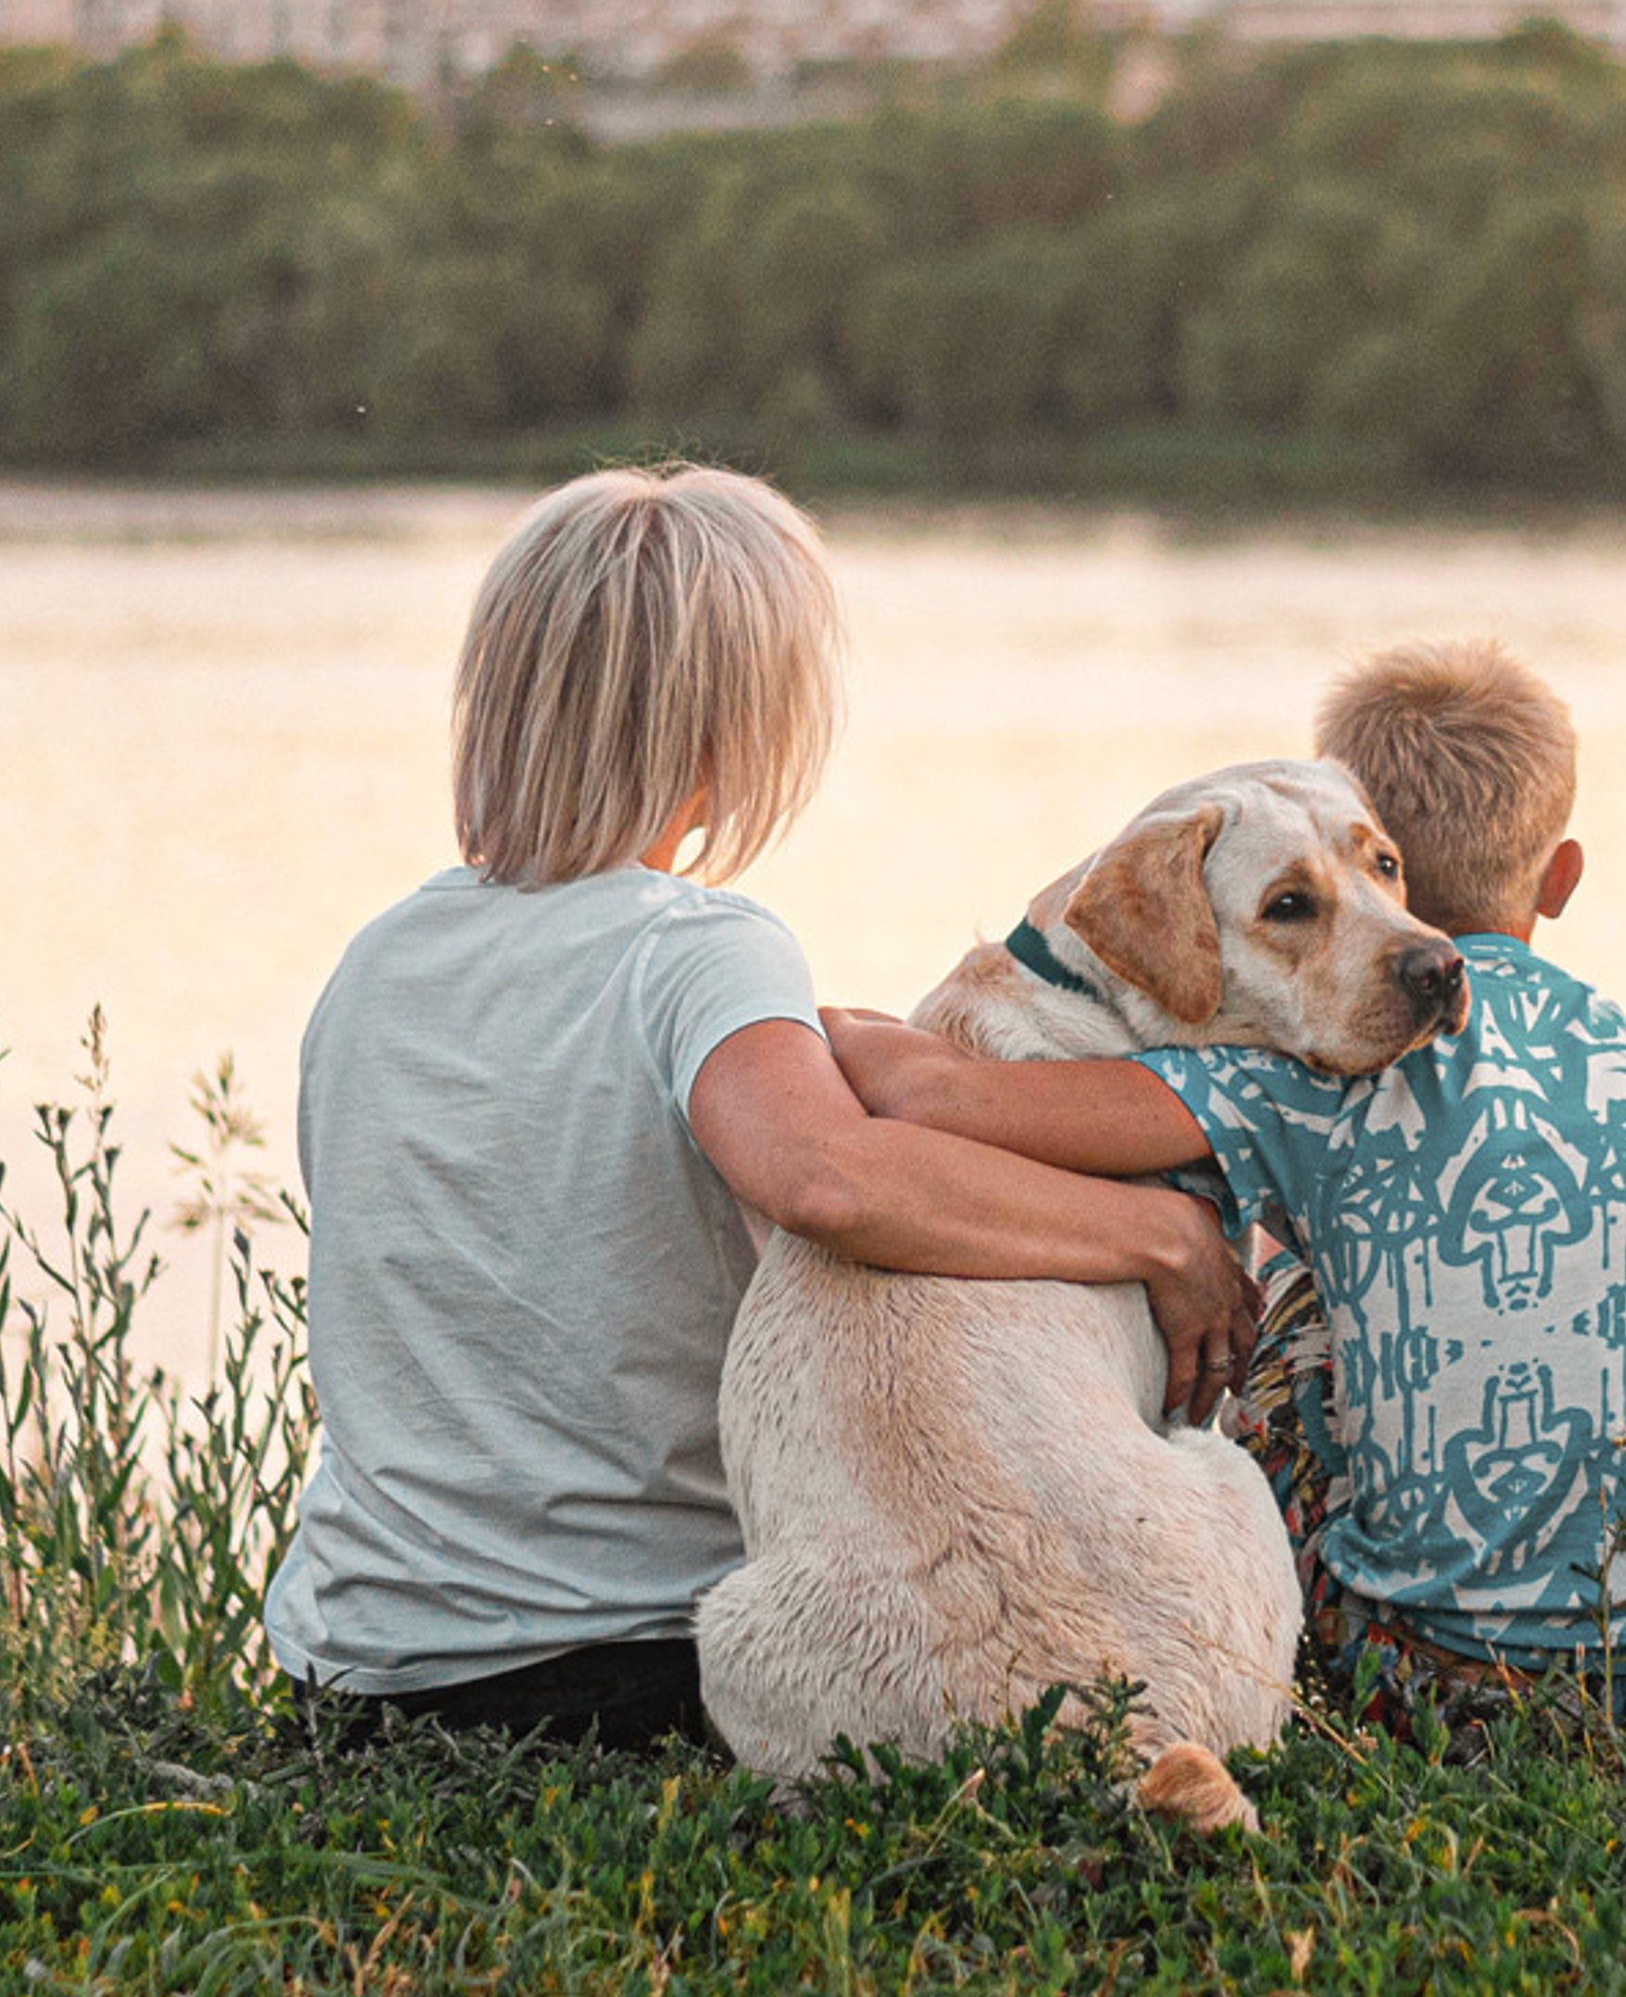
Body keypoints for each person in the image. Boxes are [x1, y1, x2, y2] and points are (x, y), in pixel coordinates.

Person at [262, 464, 1256, 1750]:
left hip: (355, 1672)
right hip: (618, 1670)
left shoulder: (377, 962)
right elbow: (829, 1181)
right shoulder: (696, 946)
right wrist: (1158, 1238)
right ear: (734, 731)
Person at [835, 639, 1626, 1724]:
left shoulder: (1273, 1082)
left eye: (1380, 874)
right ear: (1560, 875)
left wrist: (806, 1022)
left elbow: (941, 1101)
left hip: (1428, 1683)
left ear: (1388, 853)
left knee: (1279, 1271)